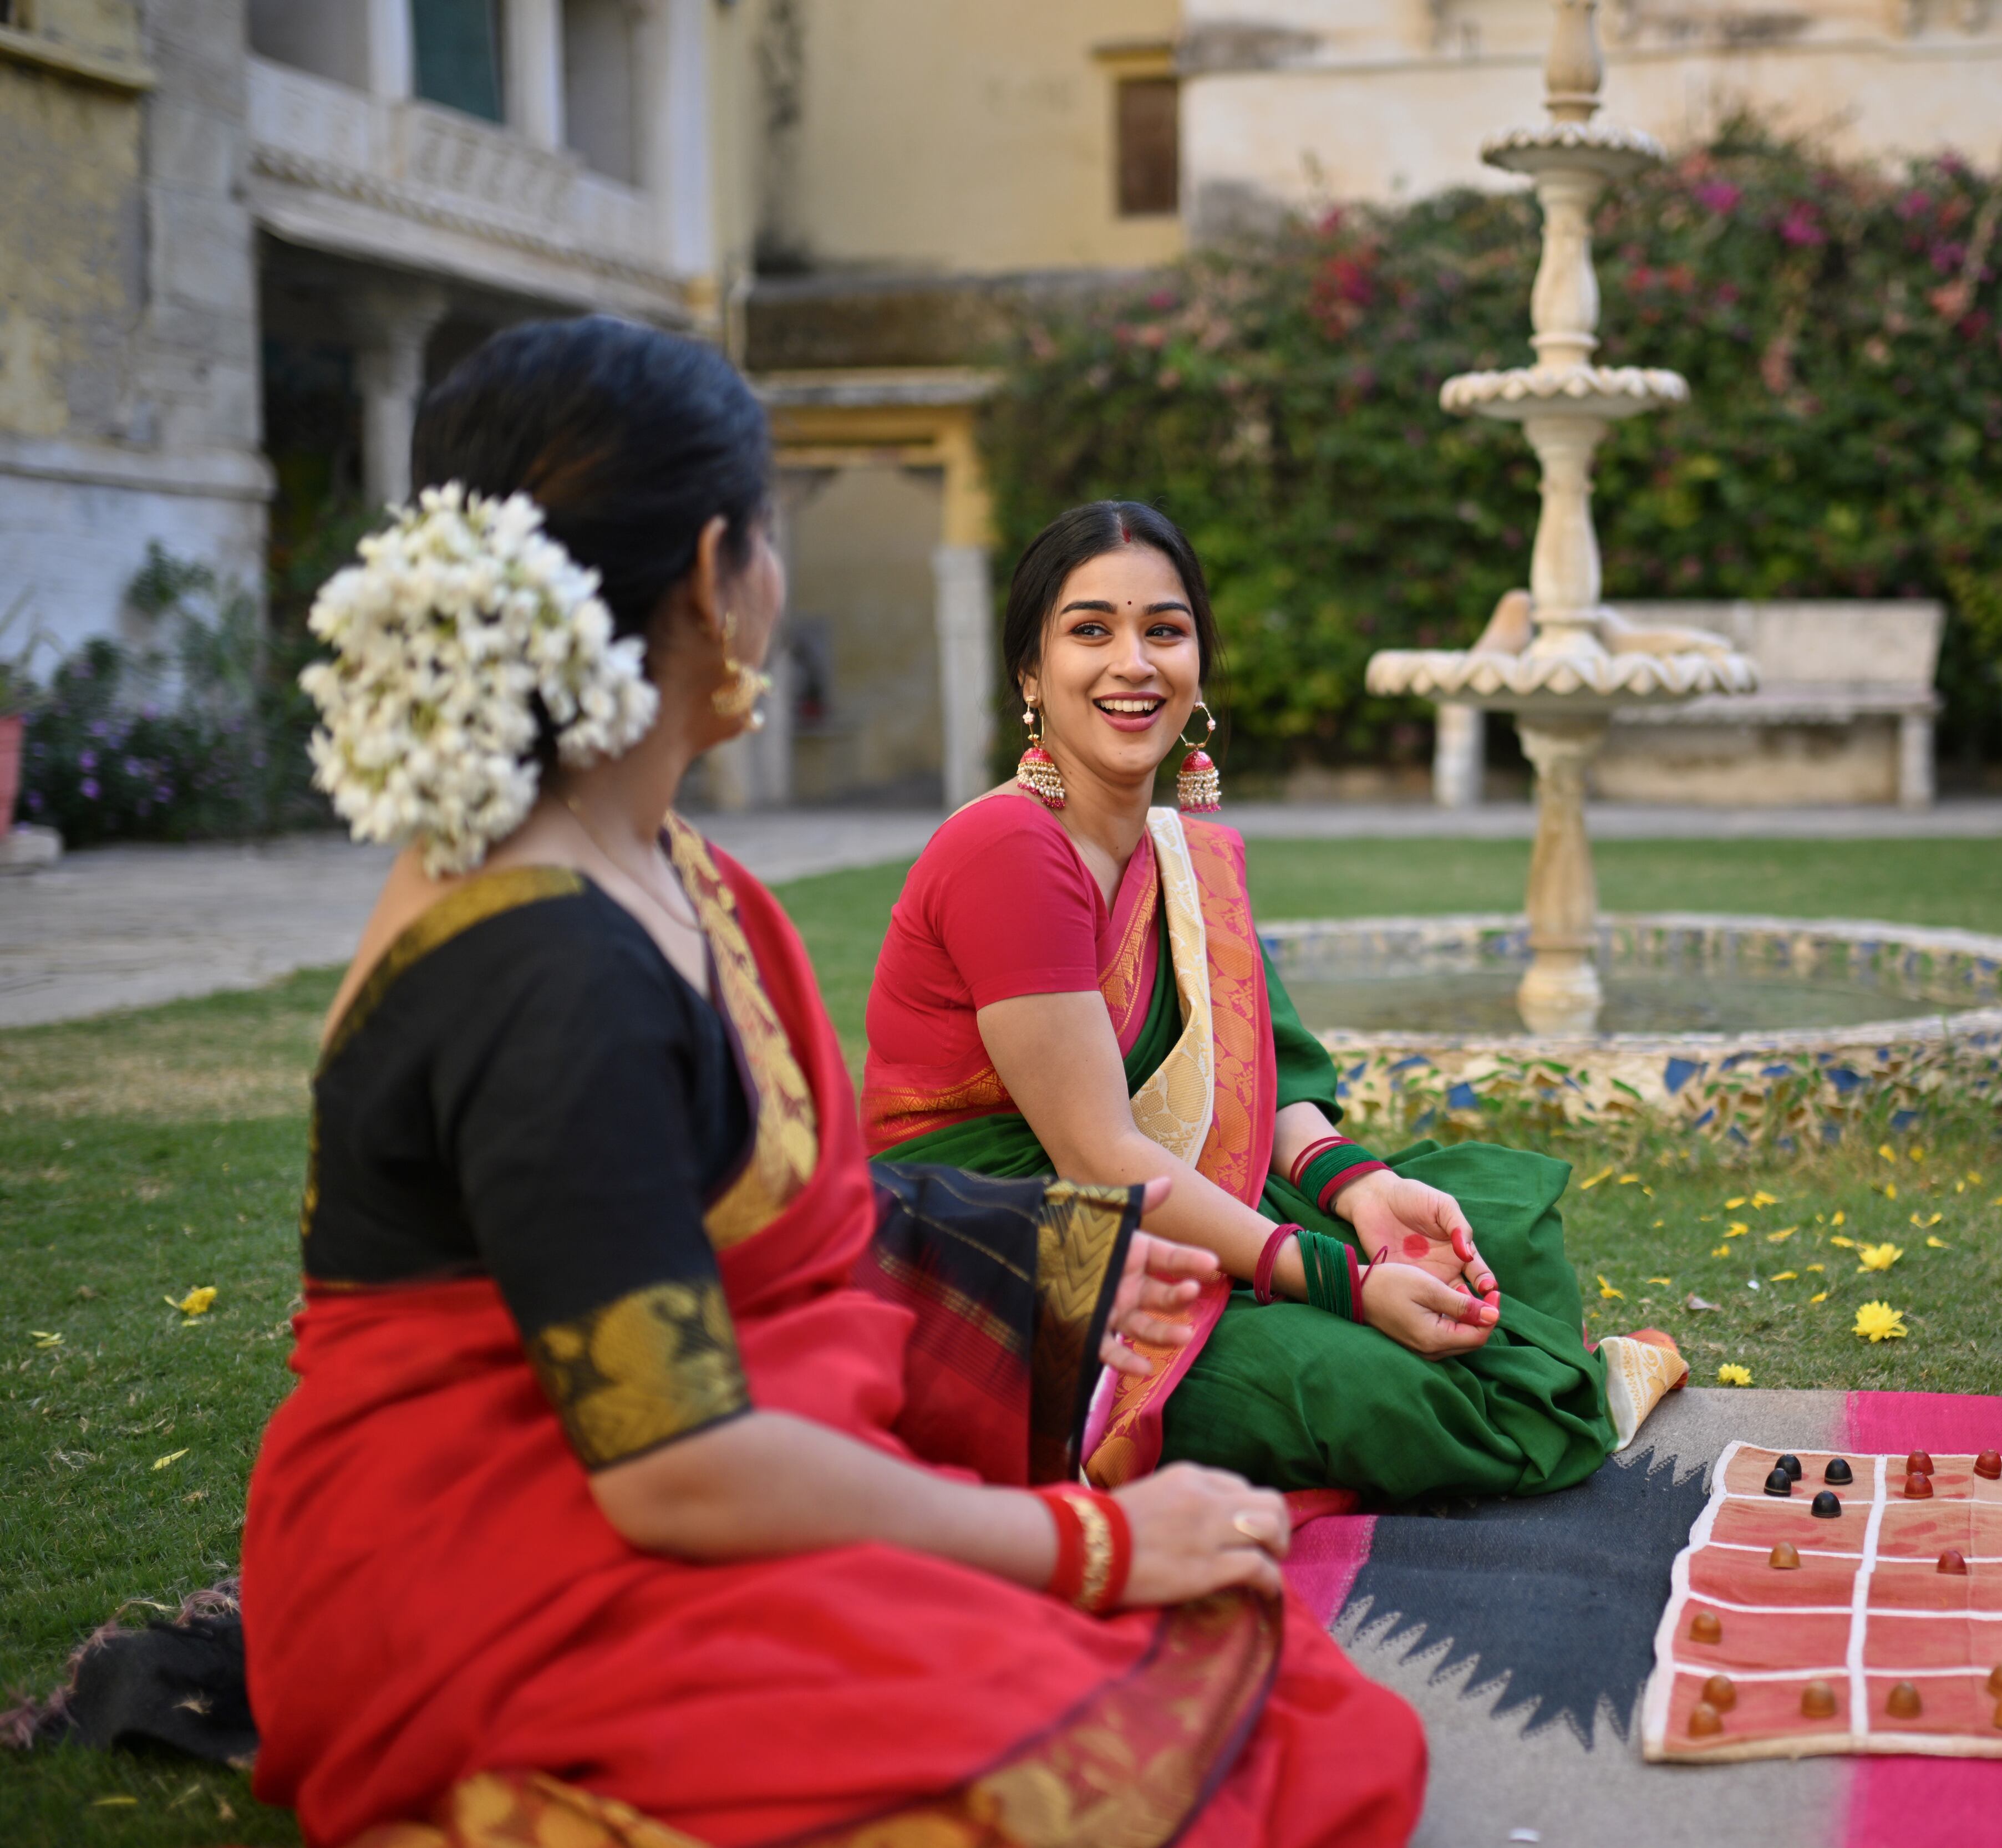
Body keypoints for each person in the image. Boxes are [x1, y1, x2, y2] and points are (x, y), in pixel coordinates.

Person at [241, 318, 1426, 1848]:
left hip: (650, 1462)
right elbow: (669, 1462)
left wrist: (1059, 1265)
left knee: (1273, 1703)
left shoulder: (653, 861)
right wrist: (1086, 1537)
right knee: (1222, 1745)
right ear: (719, 570)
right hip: (497, 1548)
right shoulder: (542, 961)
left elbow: (752, 1207)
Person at [861, 501, 1685, 1505]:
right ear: (1031, 675)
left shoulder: (1190, 856)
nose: (1134, 662)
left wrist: (1356, 1189)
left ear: (1198, 661)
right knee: (1368, 1390)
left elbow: (1264, 1076)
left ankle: (1438, 1333)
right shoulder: (1009, 853)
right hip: (1030, 1257)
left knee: (1498, 1227)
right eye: (1090, 630)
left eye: (1164, 630)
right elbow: (1100, 1159)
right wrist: (1338, 1278)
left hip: (1177, 1199)